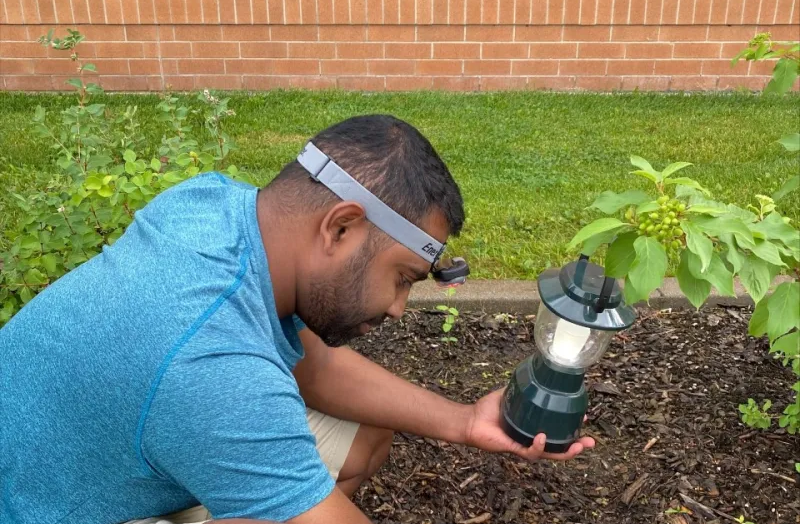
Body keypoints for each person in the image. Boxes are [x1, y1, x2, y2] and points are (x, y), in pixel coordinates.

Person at [0, 115, 594, 524]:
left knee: (363, 435)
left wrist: (466, 422)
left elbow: (309, 365)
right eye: (403, 279)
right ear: (340, 226)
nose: (397, 307)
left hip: (93, 455)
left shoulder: (213, 204)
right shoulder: (214, 368)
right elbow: (216, 381)